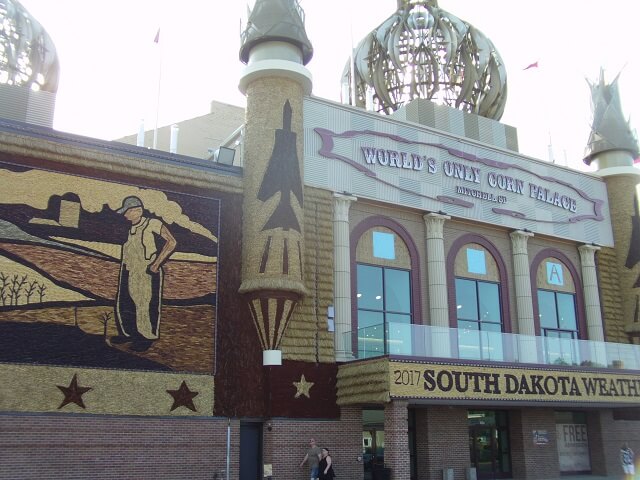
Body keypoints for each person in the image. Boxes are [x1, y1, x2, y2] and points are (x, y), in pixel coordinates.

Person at [112, 196, 177, 351]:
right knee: (125, 302)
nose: (125, 215)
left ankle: (146, 337)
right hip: (130, 270)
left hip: (146, 270)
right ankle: (129, 333)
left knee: (144, 304)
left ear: (137, 210)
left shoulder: (152, 223)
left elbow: (172, 242)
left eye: (127, 211)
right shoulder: (131, 229)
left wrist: (156, 264)